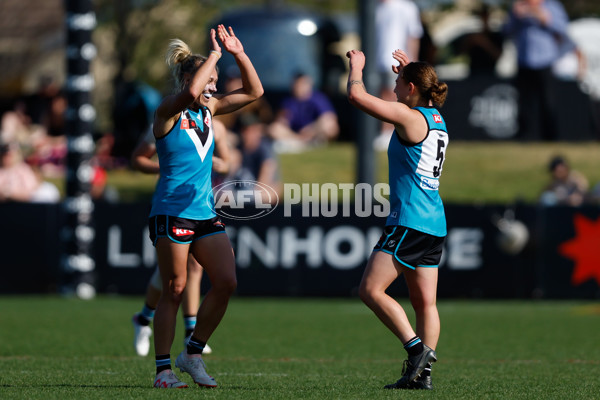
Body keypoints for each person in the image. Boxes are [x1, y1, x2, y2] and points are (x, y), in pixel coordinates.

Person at [148, 25, 263, 389]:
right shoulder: (167, 112)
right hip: (171, 212)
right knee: (175, 289)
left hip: (204, 213)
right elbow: (194, 91)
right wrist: (213, 55)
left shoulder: (209, 110)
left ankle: (192, 353)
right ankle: (163, 371)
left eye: (215, 81)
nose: (212, 88)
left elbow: (254, 91)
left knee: (226, 281)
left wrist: (237, 53)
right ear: (187, 78)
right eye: (208, 80)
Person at [346, 48, 449, 390]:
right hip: (434, 223)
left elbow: (356, 96)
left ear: (410, 88)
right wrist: (411, 71)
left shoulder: (409, 118)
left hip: (409, 221)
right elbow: (417, 101)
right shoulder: (437, 119)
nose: (393, 89)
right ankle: (422, 377)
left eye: (397, 83)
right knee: (425, 303)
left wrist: (357, 67)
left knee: (370, 289)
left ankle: (417, 351)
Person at [130, 118, 230, 357]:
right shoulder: (169, 118)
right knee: (174, 278)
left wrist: (213, 162)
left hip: (202, 203)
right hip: (172, 202)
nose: (211, 88)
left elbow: (227, 164)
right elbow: (138, 159)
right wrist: (165, 166)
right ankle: (153, 322)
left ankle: (154, 321)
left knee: (191, 268)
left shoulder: (217, 125)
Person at [503, 0, 571, 141]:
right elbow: (506, 31)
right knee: (523, 103)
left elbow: (564, 29)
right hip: (524, 61)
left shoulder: (552, 6)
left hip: (545, 61)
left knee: (548, 102)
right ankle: (524, 136)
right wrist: (515, 16)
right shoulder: (518, 6)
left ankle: (550, 137)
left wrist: (544, 17)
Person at [373, 0, 423, 151]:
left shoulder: (407, 7)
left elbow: (413, 36)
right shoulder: (377, 7)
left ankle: (389, 132)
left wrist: (411, 64)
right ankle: (386, 131)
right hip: (377, 61)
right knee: (383, 96)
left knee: (392, 95)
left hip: (397, 60)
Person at [268, 72, 339, 152]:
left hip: (314, 131)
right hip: (295, 134)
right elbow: (281, 122)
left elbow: (329, 117)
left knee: (330, 126)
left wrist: (310, 130)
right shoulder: (288, 101)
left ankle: (309, 142)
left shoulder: (318, 98)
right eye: (297, 85)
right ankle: (302, 143)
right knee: (273, 129)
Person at [228, 113, 281, 196]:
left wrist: (254, 194)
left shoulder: (264, 148)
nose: (250, 134)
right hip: (242, 190)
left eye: (254, 130)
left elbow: (266, 175)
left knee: (268, 195)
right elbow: (229, 179)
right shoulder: (238, 149)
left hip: (261, 191)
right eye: (245, 131)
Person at [459, 4, 504, 77]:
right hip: (474, 75)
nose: (483, 20)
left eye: (485, 17)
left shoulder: (496, 36)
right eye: (481, 17)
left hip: (489, 74)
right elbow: (460, 52)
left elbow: (498, 55)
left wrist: (484, 43)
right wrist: (469, 42)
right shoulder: (471, 35)